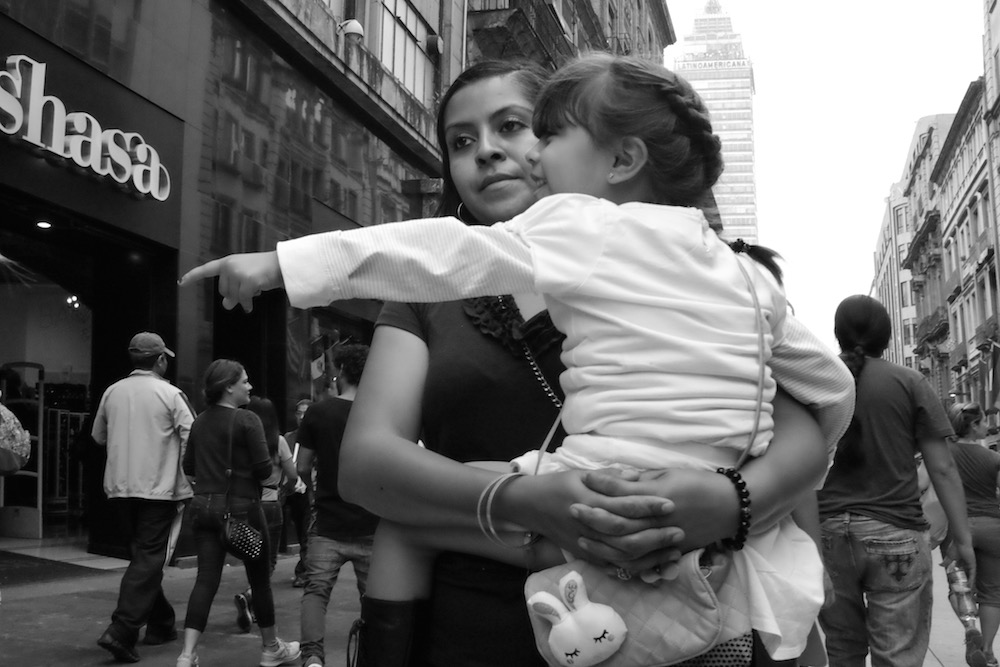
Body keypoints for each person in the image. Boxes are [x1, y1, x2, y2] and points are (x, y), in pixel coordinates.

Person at [181, 58, 848, 667]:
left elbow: (800, 441)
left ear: (620, 157)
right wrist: (535, 503)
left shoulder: (609, 240)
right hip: (501, 619)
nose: (492, 151)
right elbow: (828, 389)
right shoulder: (735, 276)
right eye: (460, 141)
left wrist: (726, 504)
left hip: (668, 562)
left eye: (523, 128)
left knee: (407, 530)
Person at [817, 295, 976, 667]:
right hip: (895, 532)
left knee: (842, 649)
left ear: (838, 334)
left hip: (827, 535)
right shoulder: (909, 381)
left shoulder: (818, 382)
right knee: (897, 655)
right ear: (887, 337)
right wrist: (962, 539)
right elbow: (943, 469)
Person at [175, 359, 300, 667]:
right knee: (260, 579)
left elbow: (189, 468)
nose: (249, 386)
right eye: (244, 381)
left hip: (204, 509)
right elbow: (263, 471)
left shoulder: (200, 421)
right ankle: (271, 647)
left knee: (206, 580)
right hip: (243, 510)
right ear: (228, 387)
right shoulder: (247, 419)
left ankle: (187, 654)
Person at [92, 332, 194, 663]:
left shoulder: (112, 391)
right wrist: (189, 475)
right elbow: (191, 436)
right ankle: (122, 629)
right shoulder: (171, 394)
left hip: (119, 487)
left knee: (141, 558)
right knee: (149, 558)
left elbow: (98, 436)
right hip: (159, 488)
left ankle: (161, 622)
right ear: (160, 360)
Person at [296, 344, 378, 667]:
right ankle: (374, 654)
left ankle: (313, 659)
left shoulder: (318, 412)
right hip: (372, 522)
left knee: (316, 592)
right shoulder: (378, 413)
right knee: (374, 598)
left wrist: (314, 489)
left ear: (341, 371)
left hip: (328, 521)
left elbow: (302, 466)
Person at [233, 396, 298, 632]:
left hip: (246, 504)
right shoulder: (278, 441)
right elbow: (293, 474)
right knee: (268, 562)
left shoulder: (241, 439)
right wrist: (286, 489)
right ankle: (250, 595)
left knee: (252, 558)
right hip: (271, 503)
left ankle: (252, 604)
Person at [946, 401, 1000, 667]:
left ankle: (970, 628)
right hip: (992, 528)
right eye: (983, 421)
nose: (987, 425)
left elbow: (923, 482)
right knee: (992, 593)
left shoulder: (944, 454)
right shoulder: (993, 458)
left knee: (958, 586)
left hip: (959, 527)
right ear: (974, 425)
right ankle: (988, 652)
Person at [282, 398, 313, 587]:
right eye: (299, 413)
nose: (301, 417)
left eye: (305, 413)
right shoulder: (289, 437)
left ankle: (304, 571)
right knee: (299, 526)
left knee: (307, 532)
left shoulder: (316, 436)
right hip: (292, 490)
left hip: (309, 490)